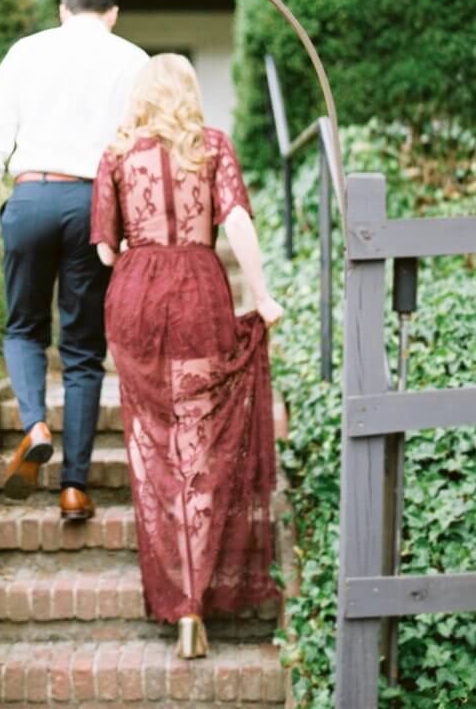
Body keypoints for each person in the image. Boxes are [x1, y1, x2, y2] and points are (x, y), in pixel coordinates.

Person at [90, 53, 284, 659]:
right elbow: (240, 225)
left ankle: (174, 594)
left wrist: (140, 251)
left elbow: (102, 250)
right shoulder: (213, 145)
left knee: (155, 447)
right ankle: (194, 606)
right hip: (199, 291)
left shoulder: (117, 154)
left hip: (137, 299)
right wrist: (261, 295)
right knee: (198, 447)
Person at [0, 0, 148, 520]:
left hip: (32, 196)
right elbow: (138, 150)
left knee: (23, 328)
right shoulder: (132, 58)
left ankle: (35, 423)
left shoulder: (26, 51)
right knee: (84, 352)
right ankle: (74, 487)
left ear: (63, 10)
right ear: (112, 14)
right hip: (93, 205)